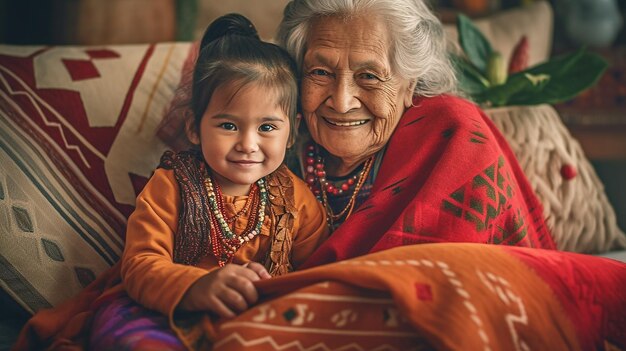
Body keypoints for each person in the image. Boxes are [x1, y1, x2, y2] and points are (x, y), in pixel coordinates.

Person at [14, 13, 328, 351]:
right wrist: (196, 287)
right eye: (228, 126)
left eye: (267, 128)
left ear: (293, 130)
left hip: (250, 316)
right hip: (157, 307)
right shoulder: (172, 186)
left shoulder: (296, 199)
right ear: (194, 127)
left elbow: (316, 273)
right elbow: (140, 266)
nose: (248, 144)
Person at [275, 0, 556, 268]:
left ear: (410, 85)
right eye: (321, 72)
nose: (342, 101)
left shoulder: (452, 137)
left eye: (369, 76)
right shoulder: (267, 140)